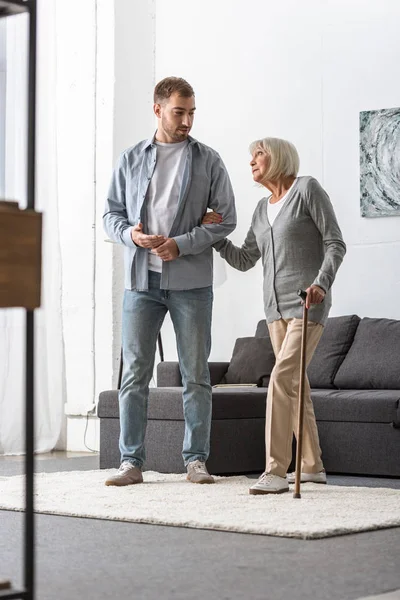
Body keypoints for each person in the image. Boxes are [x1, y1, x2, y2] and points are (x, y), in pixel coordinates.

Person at [103, 76, 236, 486]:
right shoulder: (130, 159)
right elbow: (110, 217)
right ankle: (131, 462)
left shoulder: (209, 160)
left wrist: (181, 243)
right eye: (179, 112)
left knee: (196, 374)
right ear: (157, 109)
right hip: (141, 282)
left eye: (192, 112)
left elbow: (226, 219)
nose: (187, 120)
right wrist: (132, 236)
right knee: (134, 374)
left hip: (191, 284)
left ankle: (196, 460)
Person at [203, 137, 346, 494]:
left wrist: (321, 284)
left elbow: (335, 243)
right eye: (250, 155)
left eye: (259, 154)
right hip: (275, 310)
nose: (251, 160)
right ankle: (312, 466)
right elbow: (244, 259)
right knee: (297, 387)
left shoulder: (307, 190)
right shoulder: (260, 209)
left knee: (281, 380)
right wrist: (215, 235)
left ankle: (276, 470)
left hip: (307, 304)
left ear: (278, 157)